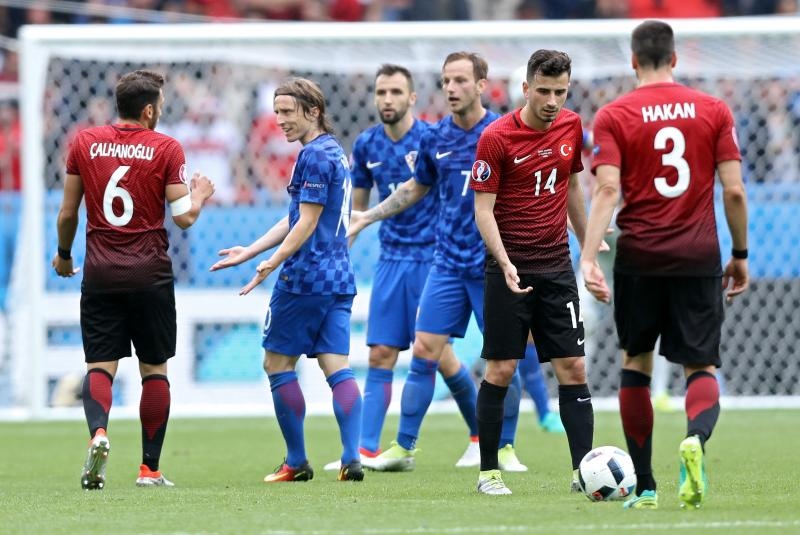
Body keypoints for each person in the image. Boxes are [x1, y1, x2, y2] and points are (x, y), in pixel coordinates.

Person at [580, 20, 749, 510]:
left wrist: (589, 258)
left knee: (635, 363)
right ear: (675, 59)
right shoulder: (713, 109)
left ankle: (648, 486)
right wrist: (739, 256)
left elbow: (607, 190)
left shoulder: (613, 115)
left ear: (633, 60)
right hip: (698, 255)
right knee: (700, 364)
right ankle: (696, 437)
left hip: (639, 257)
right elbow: (734, 191)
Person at [348, 52, 527, 473]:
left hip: (489, 264)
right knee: (425, 349)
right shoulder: (435, 137)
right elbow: (415, 188)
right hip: (445, 263)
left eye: (460, 81)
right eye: (446, 80)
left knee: (503, 359)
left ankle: (504, 448)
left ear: (481, 85)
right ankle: (404, 446)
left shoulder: (502, 132)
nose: (451, 88)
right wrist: (369, 216)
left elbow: (521, 194)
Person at [53, 69, 215, 490]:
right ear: (148, 109)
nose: (161, 110)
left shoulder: (84, 143)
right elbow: (183, 218)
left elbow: (68, 213)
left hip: (101, 271)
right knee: (154, 370)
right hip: (150, 273)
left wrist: (64, 254)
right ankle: (149, 470)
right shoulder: (167, 148)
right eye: (159, 105)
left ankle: (99, 434)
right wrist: (199, 194)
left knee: (100, 364)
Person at [322, 64, 487, 472]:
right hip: (392, 258)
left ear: (412, 97)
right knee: (380, 353)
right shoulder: (366, 145)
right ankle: (365, 449)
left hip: (434, 256)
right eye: (381, 92)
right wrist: (345, 243)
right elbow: (357, 209)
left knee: (439, 356)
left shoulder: (431, 138)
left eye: (396, 92)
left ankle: (481, 436)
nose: (387, 100)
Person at [210, 77, 365, 483]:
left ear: (313, 111)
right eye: (276, 112)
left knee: (277, 363)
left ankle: (296, 461)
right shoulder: (335, 152)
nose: (279, 121)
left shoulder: (313, 156)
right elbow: (297, 215)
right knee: (338, 368)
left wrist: (272, 264)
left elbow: (307, 223)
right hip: (339, 277)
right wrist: (251, 251)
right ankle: (352, 458)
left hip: (304, 279)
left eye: (287, 112)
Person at [471, 49, 596, 496]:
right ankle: (488, 472)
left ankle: (585, 471)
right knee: (502, 368)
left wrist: (589, 247)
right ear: (525, 88)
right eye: (543, 91)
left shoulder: (571, 126)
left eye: (560, 92)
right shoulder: (496, 137)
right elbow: (482, 210)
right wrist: (503, 262)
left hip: (557, 266)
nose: (552, 101)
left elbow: (573, 185)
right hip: (509, 268)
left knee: (574, 367)